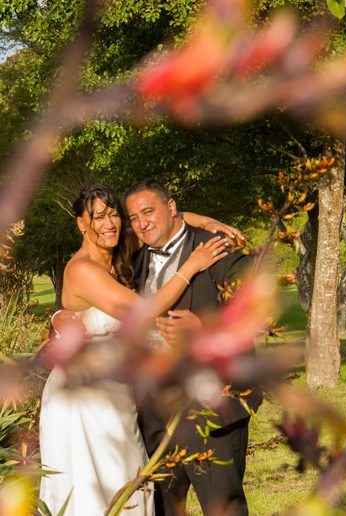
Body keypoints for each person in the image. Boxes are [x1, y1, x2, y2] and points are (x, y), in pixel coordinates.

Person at [39, 183, 229, 516]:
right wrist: (192, 265)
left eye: (113, 214)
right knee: (97, 483)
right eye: (97, 217)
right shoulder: (82, 270)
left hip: (117, 388)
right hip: (84, 396)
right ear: (82, 225)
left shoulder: (119, 246)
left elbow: (162, 221)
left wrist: (206, 222)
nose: (109, 223)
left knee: (128, 474)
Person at [125, 179, 262, 516]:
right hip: (154, 415)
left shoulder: (217, 247)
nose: (142, 223)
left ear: (171, 208)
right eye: (133, 217)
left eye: (148, 211)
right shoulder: (133, 261)